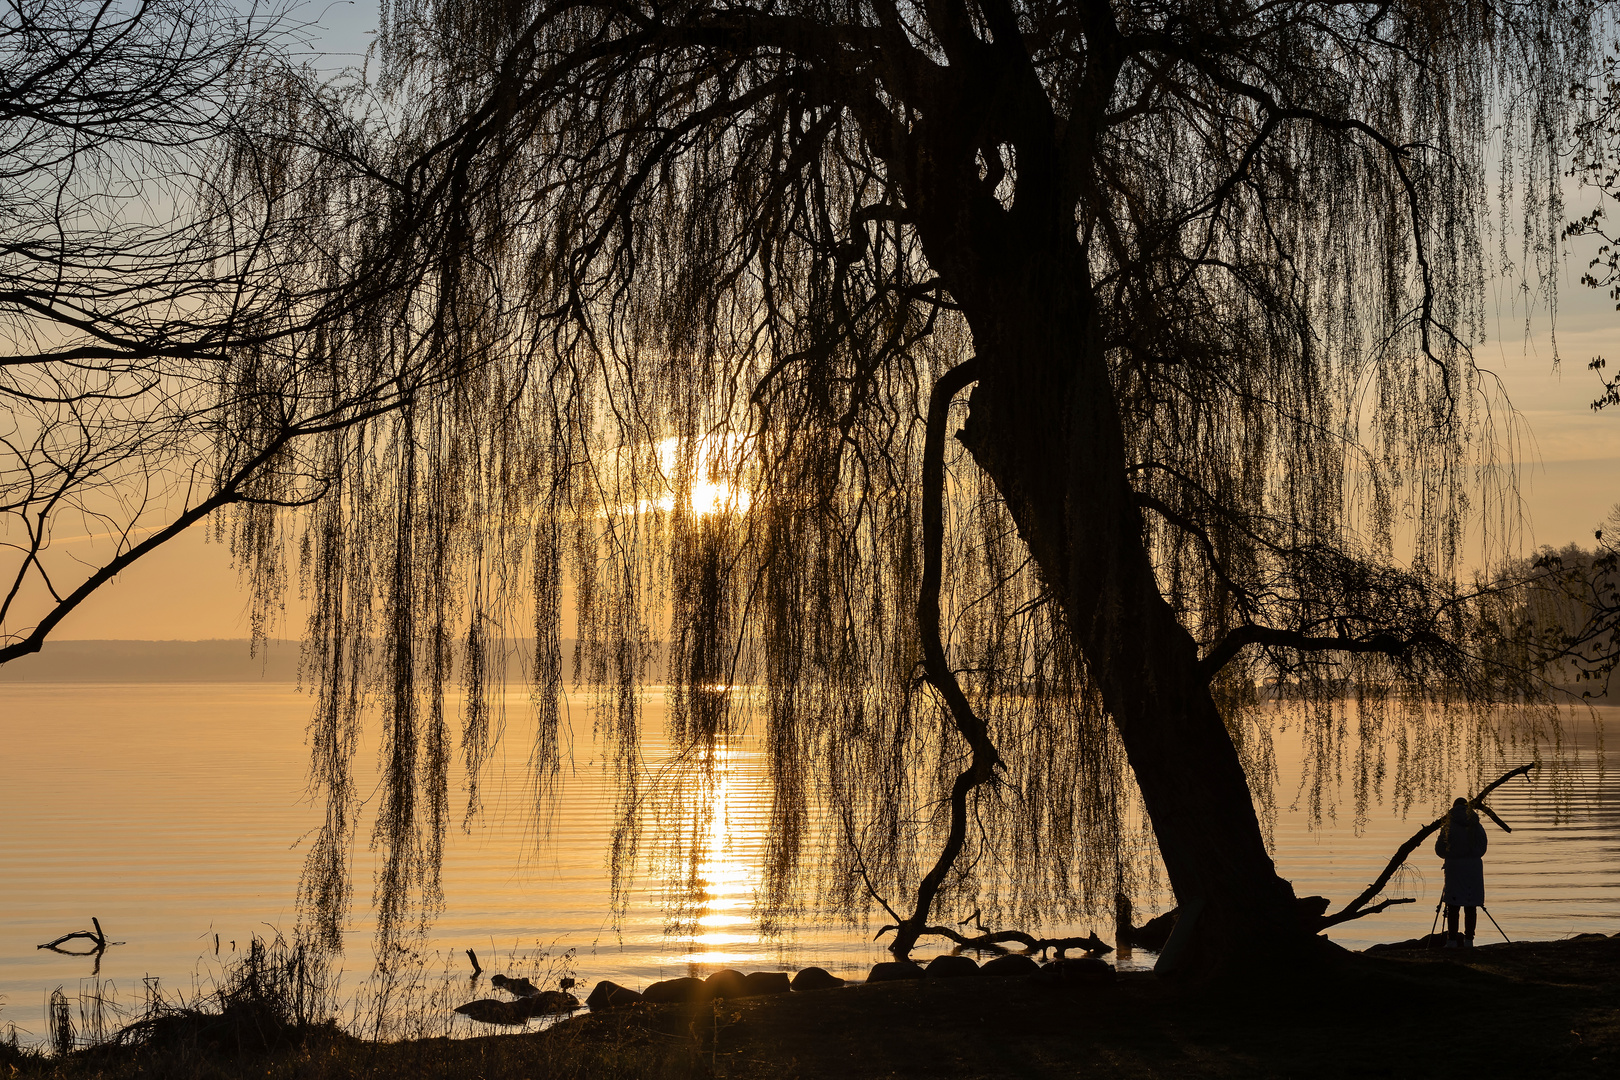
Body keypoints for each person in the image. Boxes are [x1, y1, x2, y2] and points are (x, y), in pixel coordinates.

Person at [1434, 797, 1489, 947]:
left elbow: (1439, 849)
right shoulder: (1477, 826)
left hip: (1455, 869)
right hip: (1474, 869)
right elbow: (1483, 847)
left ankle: (1451, 940)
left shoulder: (1448, 826)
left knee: (1453, 904)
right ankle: (1469, 940)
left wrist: (1451, 854)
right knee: (1471, 905)